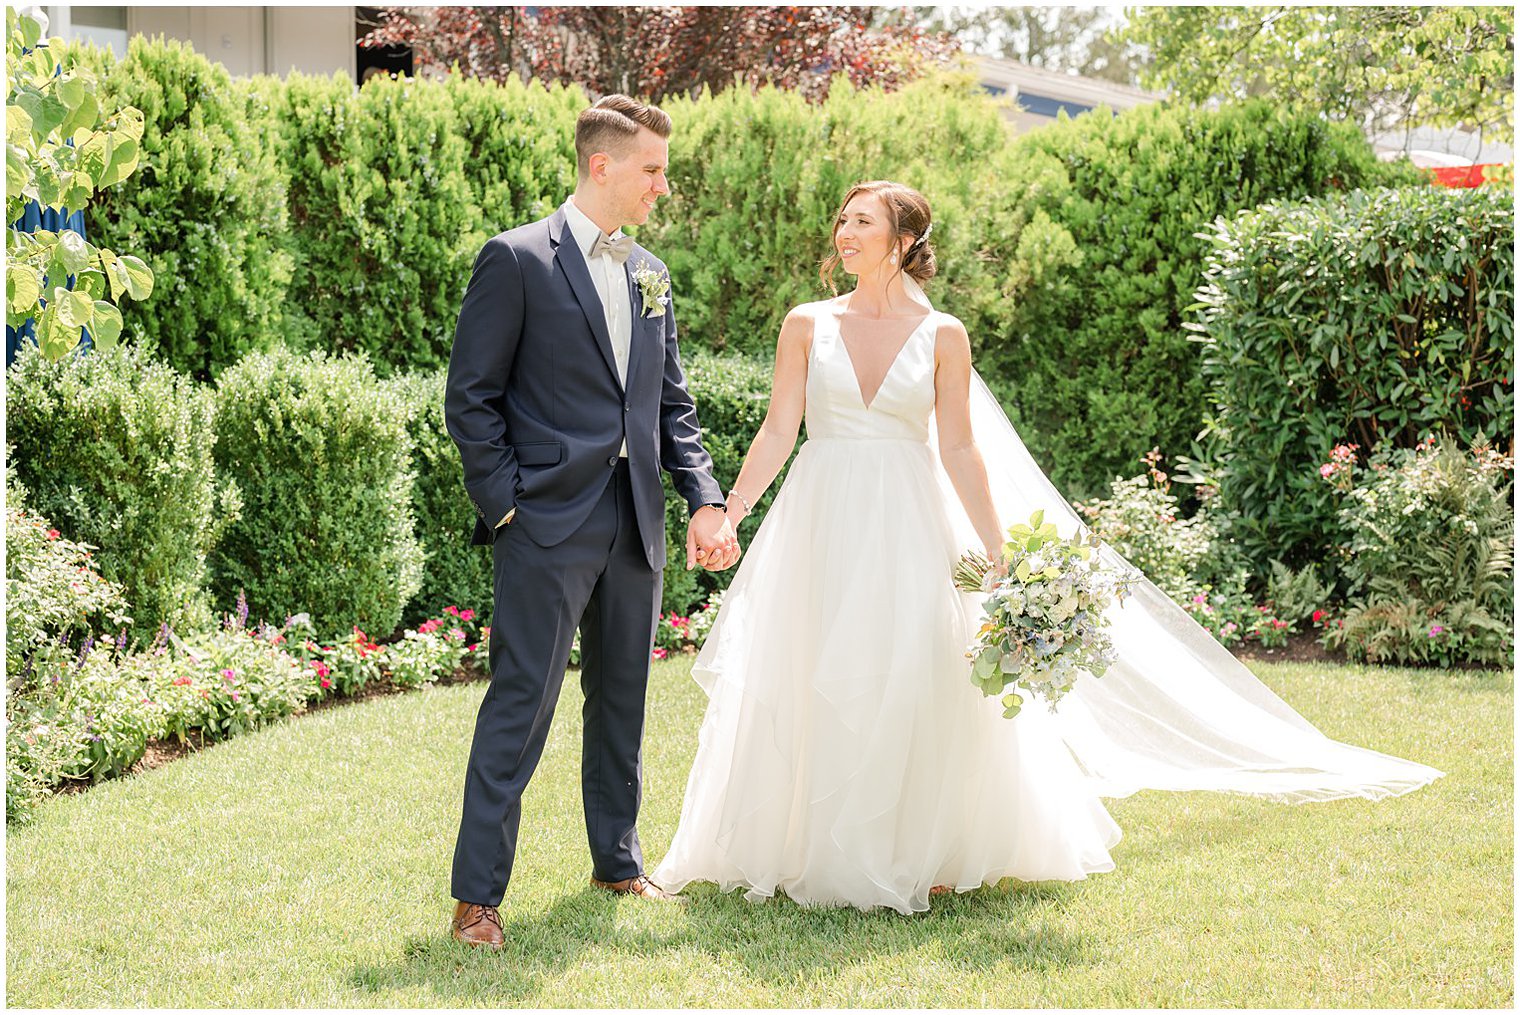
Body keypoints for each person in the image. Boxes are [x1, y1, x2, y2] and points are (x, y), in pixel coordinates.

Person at [652, 180, 1442, 915]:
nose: (844, 230)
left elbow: (960, 450)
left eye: (863, 220)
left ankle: (916, 845)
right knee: (813, 665)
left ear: (901, 241)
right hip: (820, 515)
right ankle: (802, 846)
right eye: (844, 220)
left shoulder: (944, 336)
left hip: (908, 520)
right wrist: (729, 511)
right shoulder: (806, 322)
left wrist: (998, 552)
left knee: (913, 669)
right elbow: (778, 426)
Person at [443, 94, 740, 948]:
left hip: (634, 518)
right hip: (545, 521)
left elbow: (670, 403)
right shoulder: (516, 258)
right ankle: (477, 898)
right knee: (521, 702)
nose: (661, 187)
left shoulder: (651, 271)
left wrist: (703, 495)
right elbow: (472, 399)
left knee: (623, 698)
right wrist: (506, 506)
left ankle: (617, 860)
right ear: (601, 165)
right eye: (652, 170)